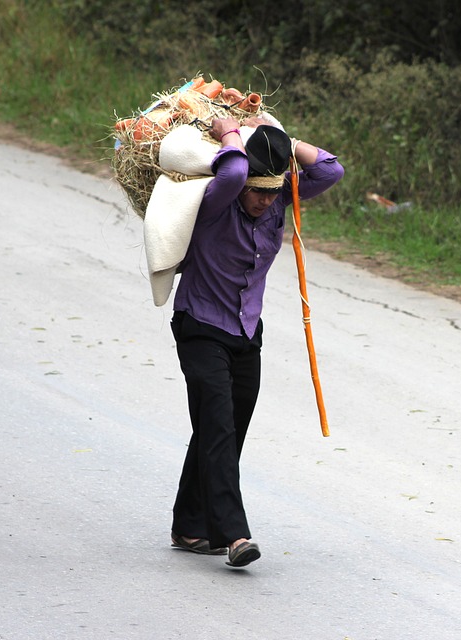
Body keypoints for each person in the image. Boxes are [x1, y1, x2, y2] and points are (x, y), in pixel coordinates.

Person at [168, 115, 344, 567]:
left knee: (222, 429)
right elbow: (231, 172)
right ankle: (233, 536)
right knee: (220, 429)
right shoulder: (217, 199)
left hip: (246, 333)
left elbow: (329, 170)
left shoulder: (279, 196)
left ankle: (189, 526)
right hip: (201, 327)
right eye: (258, 190)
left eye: (272, 190)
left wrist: (280, 138)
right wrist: (230, 132)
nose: (265, 201)